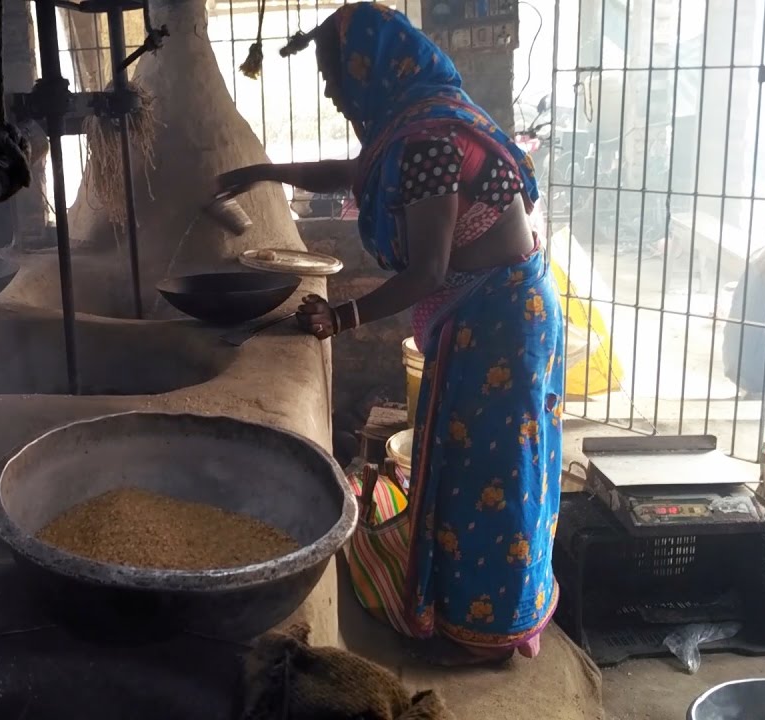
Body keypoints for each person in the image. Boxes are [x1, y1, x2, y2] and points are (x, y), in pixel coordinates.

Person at [217, 3, 565, 665]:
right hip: (492, 318)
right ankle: (478, 612)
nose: (329, 89)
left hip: (501, 327)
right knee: (479, 467)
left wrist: (340, 320)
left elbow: (429, 268)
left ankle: (483, 630)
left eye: (334, 75)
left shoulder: (431, 140)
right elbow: (356, 172)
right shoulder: (417, 123)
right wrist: (270, 173)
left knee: (493, 472)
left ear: (369, 69)